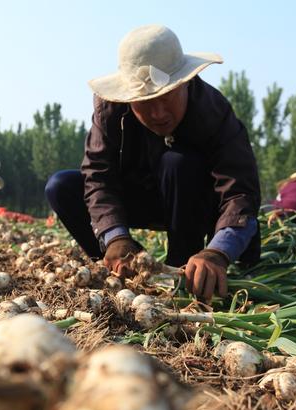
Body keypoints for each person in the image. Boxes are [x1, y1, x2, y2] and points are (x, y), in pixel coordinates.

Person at [45, 25, 260, 302]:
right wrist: (115, 237)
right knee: (61, 186)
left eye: (166, 97)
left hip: (198, 204)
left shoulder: (213, 111)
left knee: (179, 163)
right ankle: (124, 268)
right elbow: (98, 177)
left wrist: (216, 253)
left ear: (183, 84)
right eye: (145, 103)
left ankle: (185, 269)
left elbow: (240, 192)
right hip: (142, 196)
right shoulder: (110, 110)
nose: (158, 113)